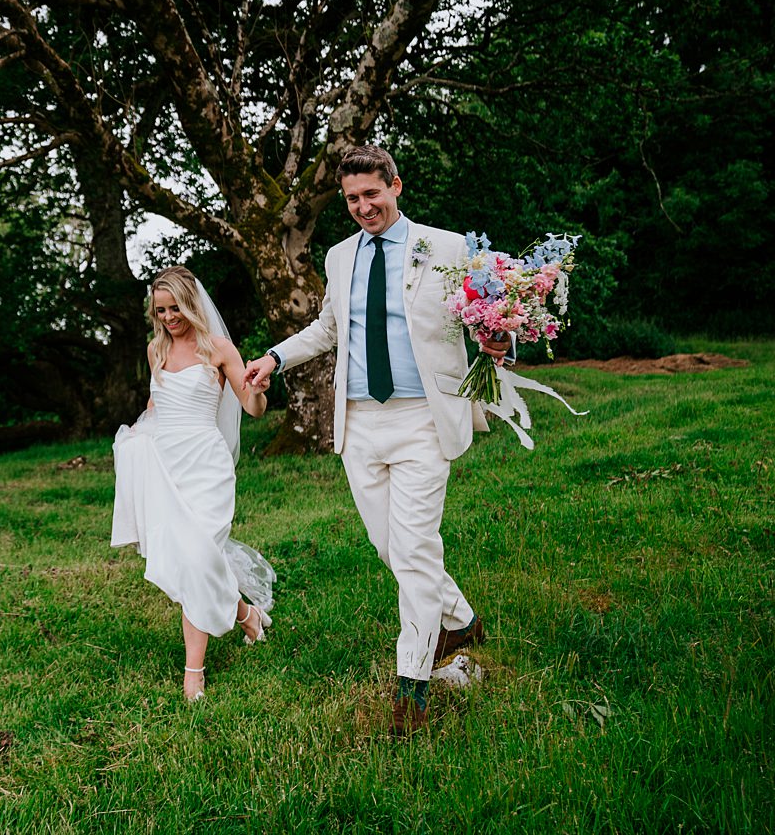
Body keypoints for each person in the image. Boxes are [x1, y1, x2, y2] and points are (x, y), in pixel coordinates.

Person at [241, 144, 508, 735]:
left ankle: (412, 685)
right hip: (359, 422)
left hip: (421, 418)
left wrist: (497, 339)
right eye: (353, 199)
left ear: (396, 186)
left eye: (373, 194)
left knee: (413, 551)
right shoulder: (339, 257)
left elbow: (487, 316)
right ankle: (460, 619)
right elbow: (329, 327)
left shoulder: (447, 248)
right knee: (391, 548)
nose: (364, 207)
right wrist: (275, 357)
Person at [111, 266, 277, 702]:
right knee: (192, 561)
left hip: (206, 465)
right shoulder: (154, 351)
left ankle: (193, 673)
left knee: (200, 553)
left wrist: (258, 389)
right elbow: (156, 404)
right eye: (160, 310)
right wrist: (135, 441)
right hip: (167, 467)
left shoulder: (218, 349)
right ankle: (247, 616)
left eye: (175, 308)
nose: (168, 318)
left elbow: (253, 408)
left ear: (191, 302)